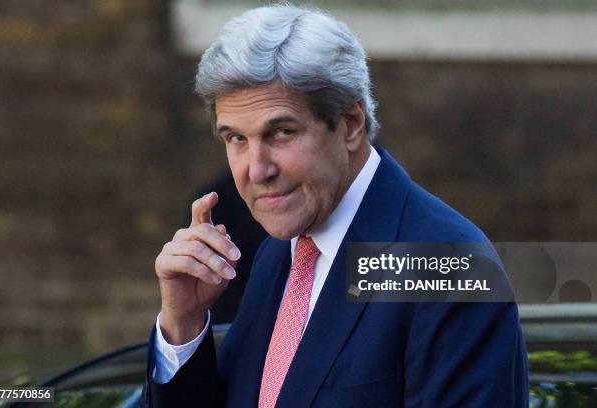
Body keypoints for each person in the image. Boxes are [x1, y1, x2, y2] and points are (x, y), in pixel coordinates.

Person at [142, 4, 528, 407]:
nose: (256, 170)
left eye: (282, 132)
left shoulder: (450, 266)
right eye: (236, 138)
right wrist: (183, 324)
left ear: (351, 124)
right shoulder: (279, 251)